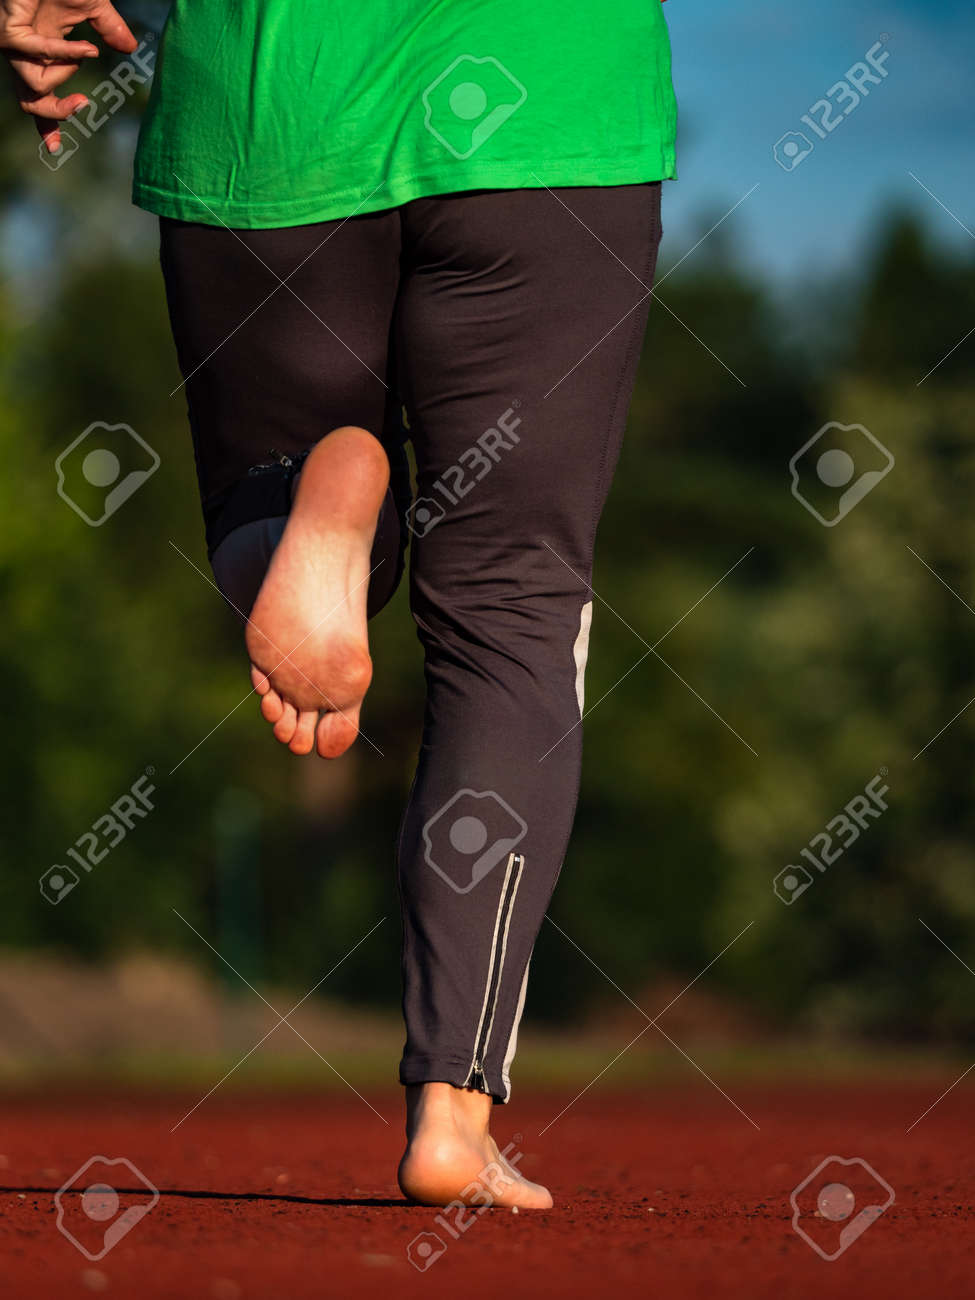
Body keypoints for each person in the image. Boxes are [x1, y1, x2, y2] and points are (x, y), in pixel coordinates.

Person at [3, 0, 677, 1209]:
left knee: (260, 498)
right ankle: (452, 1116)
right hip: (550, 105)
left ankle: (320, 520)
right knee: (512, 610)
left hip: (271, 104)